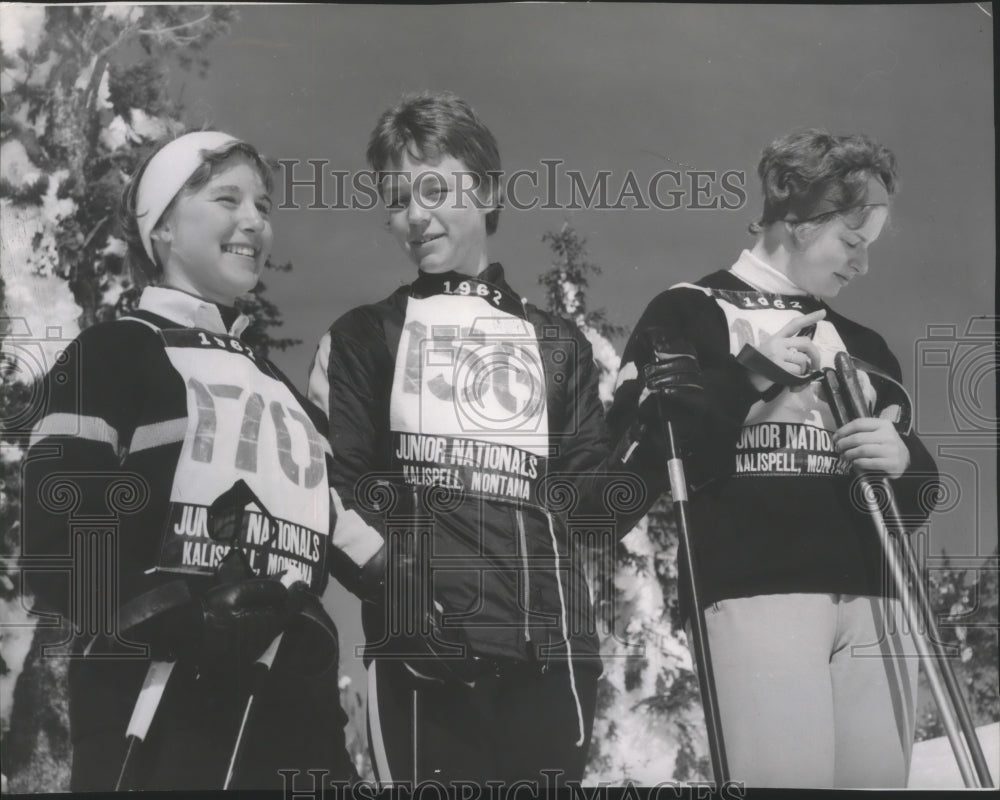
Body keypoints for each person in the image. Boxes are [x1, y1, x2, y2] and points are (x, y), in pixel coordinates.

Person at [309, 91, 640, 786]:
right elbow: (330, 487)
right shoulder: (366, 337)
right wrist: (391, 586)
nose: (415, 216)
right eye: (396, 199)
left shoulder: (555, 343)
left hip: (553, 664)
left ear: (486, 189)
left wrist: (656, 430)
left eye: (434, 189)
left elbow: (592, 508)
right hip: (426, 658)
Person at [22, 131, 362, 790]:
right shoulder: (116, 352)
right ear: (163, 229)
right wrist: (173, 617)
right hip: (157, 705)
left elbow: (353, 527)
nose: (254, 221)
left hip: (293, 709)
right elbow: (57, 540)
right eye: (227, 198)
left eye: (263, 205)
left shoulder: (281, 393)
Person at [607, 129, 939, 788]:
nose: (862, 266)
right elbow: (639, 456)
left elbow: (919, 499)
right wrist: (745, 378)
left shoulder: (865, 341)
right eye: (852, 242)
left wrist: (905, 464)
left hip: (877, 604)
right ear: (796, 221)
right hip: (762, 590)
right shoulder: (688, 310)